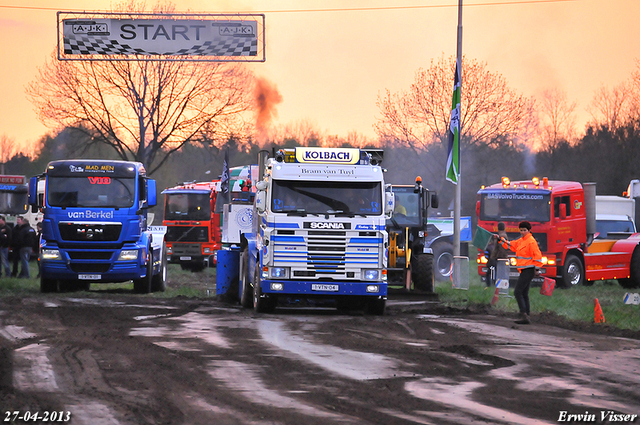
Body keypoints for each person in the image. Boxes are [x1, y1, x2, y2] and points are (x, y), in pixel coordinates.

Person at [495, 221, 542, 324]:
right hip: (524, 270)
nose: (522, 232)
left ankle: (523, 314)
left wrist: (537, 269)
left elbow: (537, 256)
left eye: (524, 230)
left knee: (517, 291)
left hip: (529, 270)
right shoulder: (521, 241)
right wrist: (500, 239)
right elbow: (510, 245)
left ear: (529, 230)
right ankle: (527, 315)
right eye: (521, 230)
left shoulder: (531, 241)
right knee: (524, 293)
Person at [486, 222, 508, 287]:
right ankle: (498, 286)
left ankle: (497, 287)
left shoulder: (501, 237)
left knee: (497, 273)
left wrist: (498, 258)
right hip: (499, 258)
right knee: (499, 273)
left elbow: (501, 249)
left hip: (498, 258)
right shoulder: (503, 236)